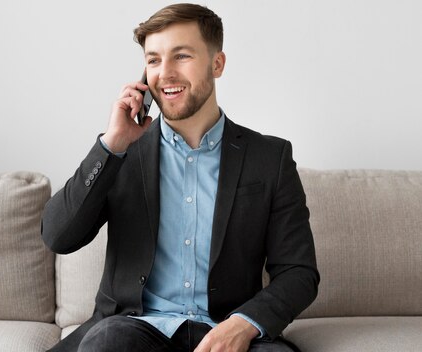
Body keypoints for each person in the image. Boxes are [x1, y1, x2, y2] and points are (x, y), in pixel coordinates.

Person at [41, 3, 319, 352]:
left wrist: (243, 325)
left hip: (225, 331)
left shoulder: (269, 158)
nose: (165, 73)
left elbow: (298, 272)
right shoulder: (122, 153)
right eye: (154, 60)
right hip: (132, 331)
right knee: (108, 342)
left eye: (181, 56)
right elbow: (57, 236)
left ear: (217, 64)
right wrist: (112, 146)